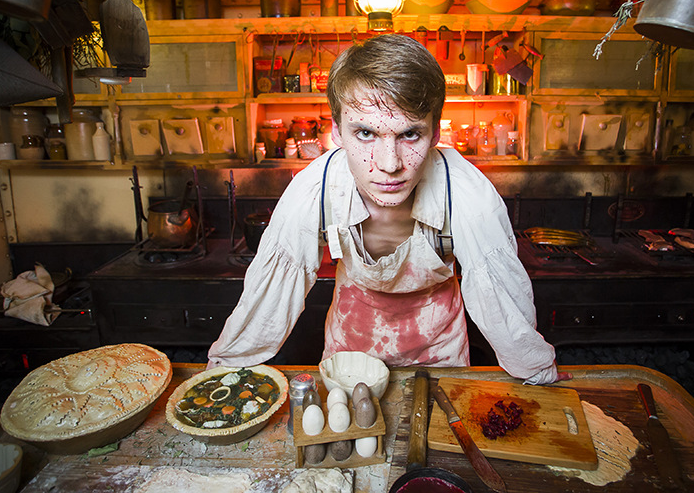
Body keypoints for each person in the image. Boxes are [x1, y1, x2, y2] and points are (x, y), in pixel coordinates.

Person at [208, 34, 570, 385]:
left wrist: (536, 369)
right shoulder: (314, 190)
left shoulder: (464, 192)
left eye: (409, 134)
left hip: (439, 356)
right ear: (336, 131)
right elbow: (270, 294)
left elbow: (501, 295)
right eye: (365, 133)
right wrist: (224, 371)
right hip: (349, 351)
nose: (389, 164)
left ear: (435, 133)